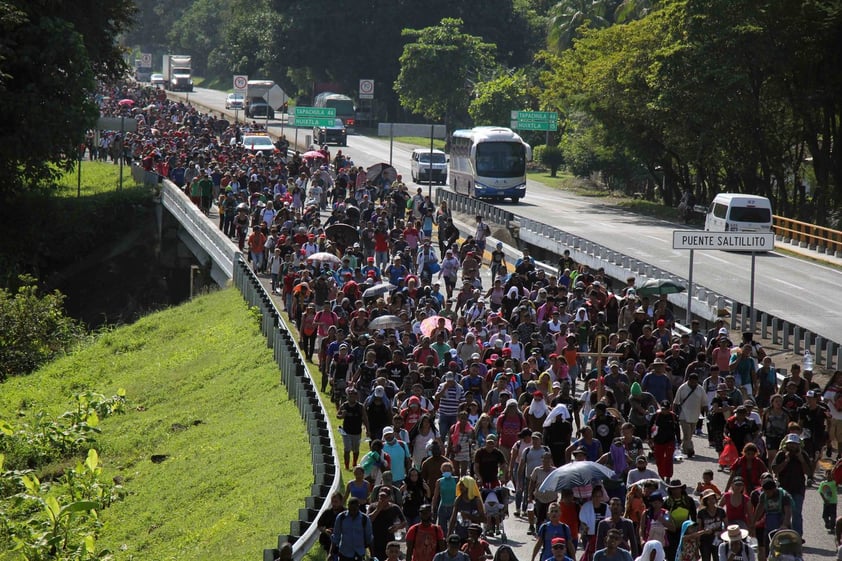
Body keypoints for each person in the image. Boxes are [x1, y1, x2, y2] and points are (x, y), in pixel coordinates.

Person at [771, 433, 810, 536]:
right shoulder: (781, 454)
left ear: (798, 445)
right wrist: (786, 461)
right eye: (790, 444)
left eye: (794, 444)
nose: (792, 446)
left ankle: (797, 536)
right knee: (783, 513)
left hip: (798, 489)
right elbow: (775, 470)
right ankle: (782, 534)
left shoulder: (803, 454)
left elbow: (808, 472)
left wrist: (801, 460)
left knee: (796, 513)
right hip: (783, 489)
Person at [673, 372, 708, 458]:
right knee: (687, 433)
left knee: (689, 435)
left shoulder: (700, 389)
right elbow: (676, 402)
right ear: (688, 380)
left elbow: (704, 403)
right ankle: (689, 450)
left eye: (695, 382)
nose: (693, 384)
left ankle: (684, 446)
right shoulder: (682, 388)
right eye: (692, 382)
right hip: (684, 414)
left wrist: (707, 414)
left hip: (695, 415)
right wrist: (673, 413)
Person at [367, 489, 407, 561]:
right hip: (376, 539)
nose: (382, 499)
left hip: (389, 539)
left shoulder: (394, 508)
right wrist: (378, 509)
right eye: (380, 497)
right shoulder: (372, 507)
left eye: (384, 497)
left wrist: (397, 527)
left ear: (389, 498)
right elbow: (368, 520)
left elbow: (404, 522)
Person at [331, 497, 374, 561]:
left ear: (358, 507)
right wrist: (330, 553)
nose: (353, 512)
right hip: (344, 553)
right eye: (351, 509)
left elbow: (369, 538)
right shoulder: (341, 517)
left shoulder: (364, 519)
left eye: (355, 509)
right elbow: (336, 536)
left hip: (359, 553)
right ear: (348, 506)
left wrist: (372, 555)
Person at [696, 489, 726, 561]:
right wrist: (698, 541)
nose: (711, 501)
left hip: (718, 540)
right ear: (705, 501)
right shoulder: (701, 512)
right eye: (708, 499)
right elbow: (699, 528)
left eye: (712, 498)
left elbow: (726, 526)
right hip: (705, 541)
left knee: (718, 558)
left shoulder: (721, 511)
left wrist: (722, 534)